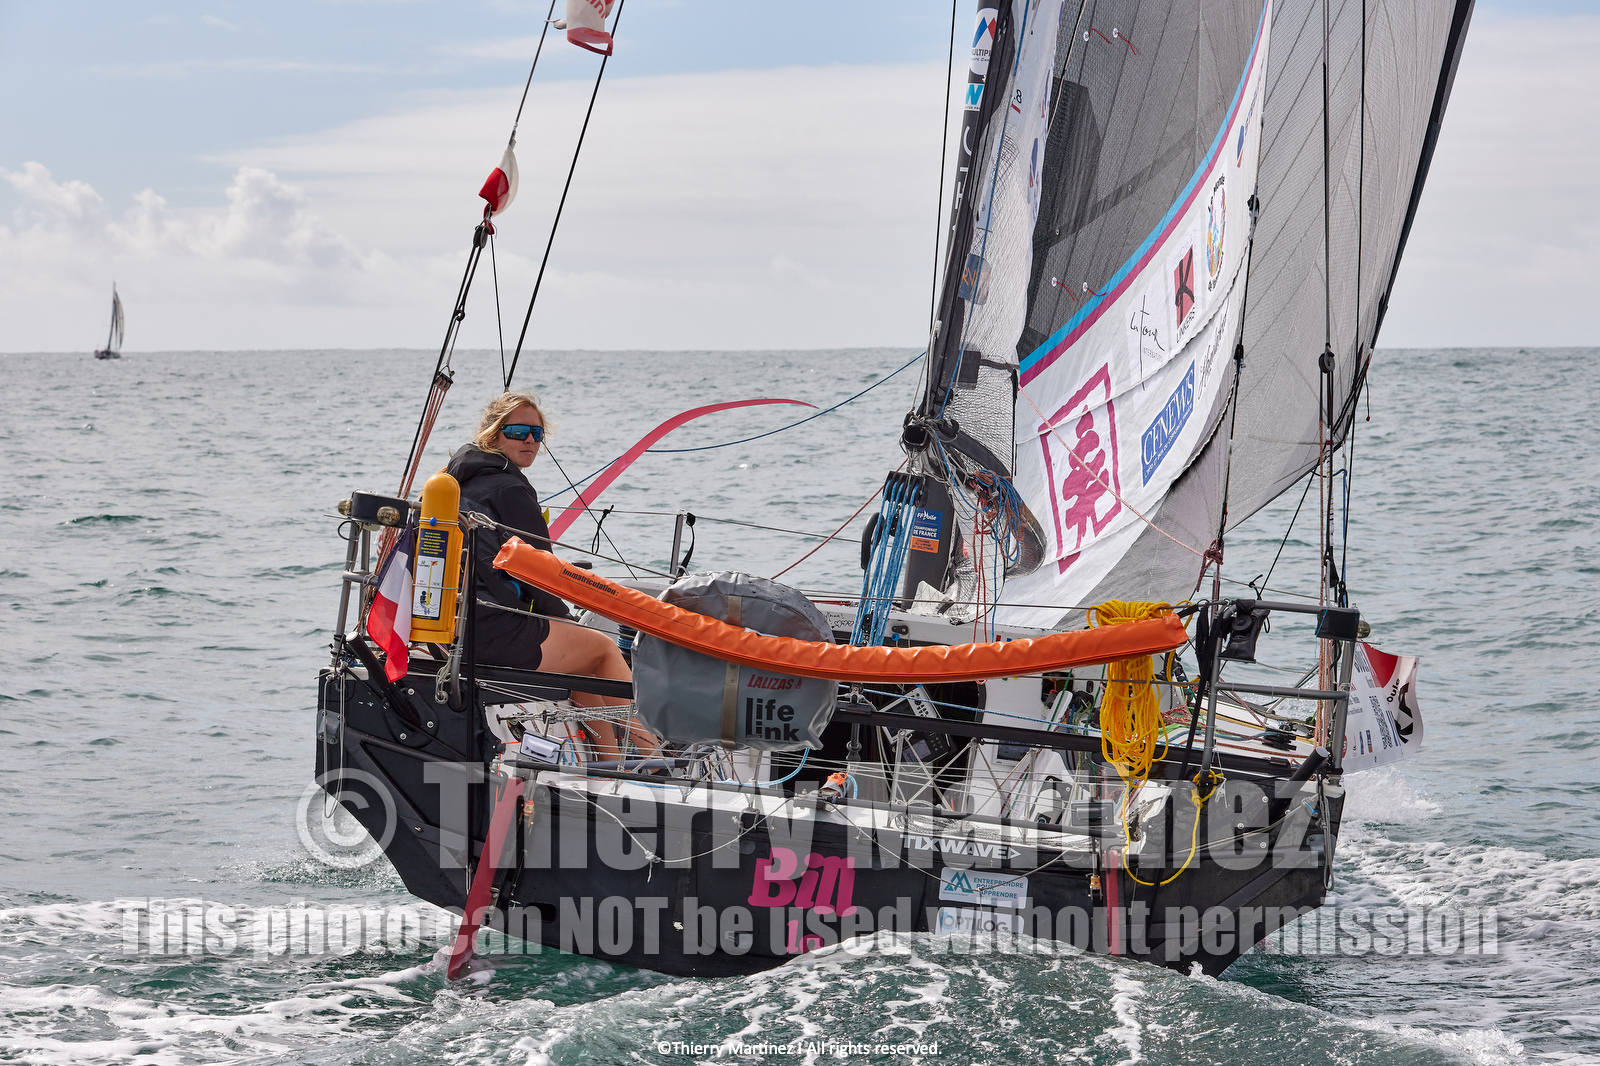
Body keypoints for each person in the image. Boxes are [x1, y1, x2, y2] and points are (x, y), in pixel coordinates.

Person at [446, 392, 658, 759]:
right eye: (517, 431)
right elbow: (541, 574)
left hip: (458, 630)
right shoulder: (509, 489)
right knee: (602, 647)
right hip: (495, 633)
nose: (529, 440)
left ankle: (611, 763)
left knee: (582, 657)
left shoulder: (456, 481)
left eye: (537, 433)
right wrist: (565, 618)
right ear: (494, 435)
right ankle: (654, 760)